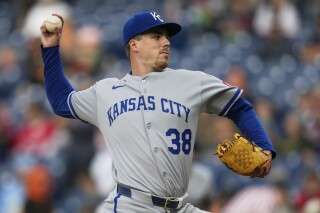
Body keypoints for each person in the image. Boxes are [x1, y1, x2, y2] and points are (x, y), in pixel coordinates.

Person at [40, 11, 275, 213]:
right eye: (156, 36)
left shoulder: (192, 82)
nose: (166, 42)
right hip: (129, 206)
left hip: (180, 205)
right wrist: (50, 49)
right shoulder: (106, 92)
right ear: (134, 44)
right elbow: (62, 101)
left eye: (167, 36)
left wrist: (265, 147)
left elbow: (240, 107)